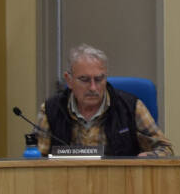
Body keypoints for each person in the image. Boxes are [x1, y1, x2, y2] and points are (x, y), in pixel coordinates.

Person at [33, 45, 171, 156]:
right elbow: (37, 159)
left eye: (99, 79)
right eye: (84, 80)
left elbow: (165, 149)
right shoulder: (51, 110)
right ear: (69, 80)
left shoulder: (131, 107)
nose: (93, 87)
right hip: (66, 185)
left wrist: (149, 158)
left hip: (120, 184)